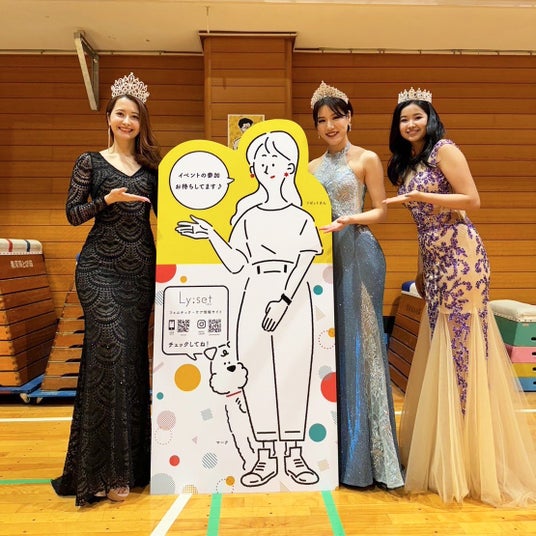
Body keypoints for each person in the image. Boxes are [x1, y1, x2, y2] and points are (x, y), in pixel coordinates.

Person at [384, 87, 536, 506]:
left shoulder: (444, 150)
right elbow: (421, 227)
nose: (410, 124)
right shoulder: (407, 163)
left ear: (429, 118)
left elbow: (472, 199)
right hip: (433, 261)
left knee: (464, 348)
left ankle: (473, 461)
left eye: (417, 116)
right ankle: (444, 455)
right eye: (403, 119)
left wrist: (422, 196)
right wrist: (420, 269)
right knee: (442, 347)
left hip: (462, 256)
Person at [177, 129, 323, 487]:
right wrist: (211, 235)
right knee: (255, 372)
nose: (268, 167)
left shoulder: (302, 218)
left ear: (290, 168)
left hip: (293, 297)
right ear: (253, 170)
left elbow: (304, 261)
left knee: (294, 372)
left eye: (275, 161)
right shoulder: (247, 217)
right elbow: (235, 263)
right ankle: (264, 456)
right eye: (261, 162)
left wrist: (284, 300)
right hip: (254, 293)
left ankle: (295, 454)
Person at [51, 72, 161, 506]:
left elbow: (171, 217)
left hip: (140, 274)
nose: (127, 121)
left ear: (142, 122)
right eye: (120, 114)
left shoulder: (152, 169)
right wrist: (107, 200)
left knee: (130, 362)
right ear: (109, 118)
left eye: (134, 116)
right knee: (110, 355)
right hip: (99, 269)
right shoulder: (90, 162)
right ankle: (102, 471)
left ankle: (128, 468)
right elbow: (72, 214)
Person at [308, 82, 404, 490]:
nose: (330, 125)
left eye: (336, 117)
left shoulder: (366, 159)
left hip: (359, 253)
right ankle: (335, 454)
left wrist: (349, 219)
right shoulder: (309, 168)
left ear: (349, 118)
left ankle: (372, 460)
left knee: (364, 347)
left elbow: (381, 210)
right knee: (331, 350)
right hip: (322, 261)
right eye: (322, 120)